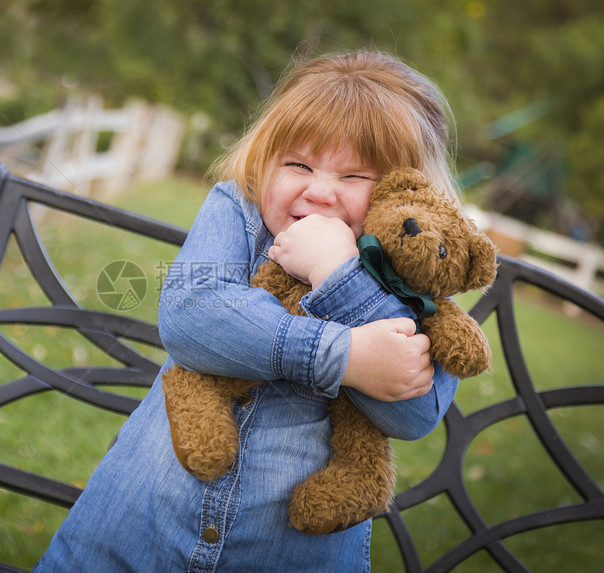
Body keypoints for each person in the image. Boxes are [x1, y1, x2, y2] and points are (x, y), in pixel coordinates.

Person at [33, 49, 460, 572]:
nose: (318, 191)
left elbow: (414, 411)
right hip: (129, 536)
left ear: (410, 192)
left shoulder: (421, 272)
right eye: (298, 164)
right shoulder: (238, 211)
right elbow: (194, 314)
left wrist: (339, 276)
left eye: (355, 177)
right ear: (265, 160)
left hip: (284, 556)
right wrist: (344, 356)